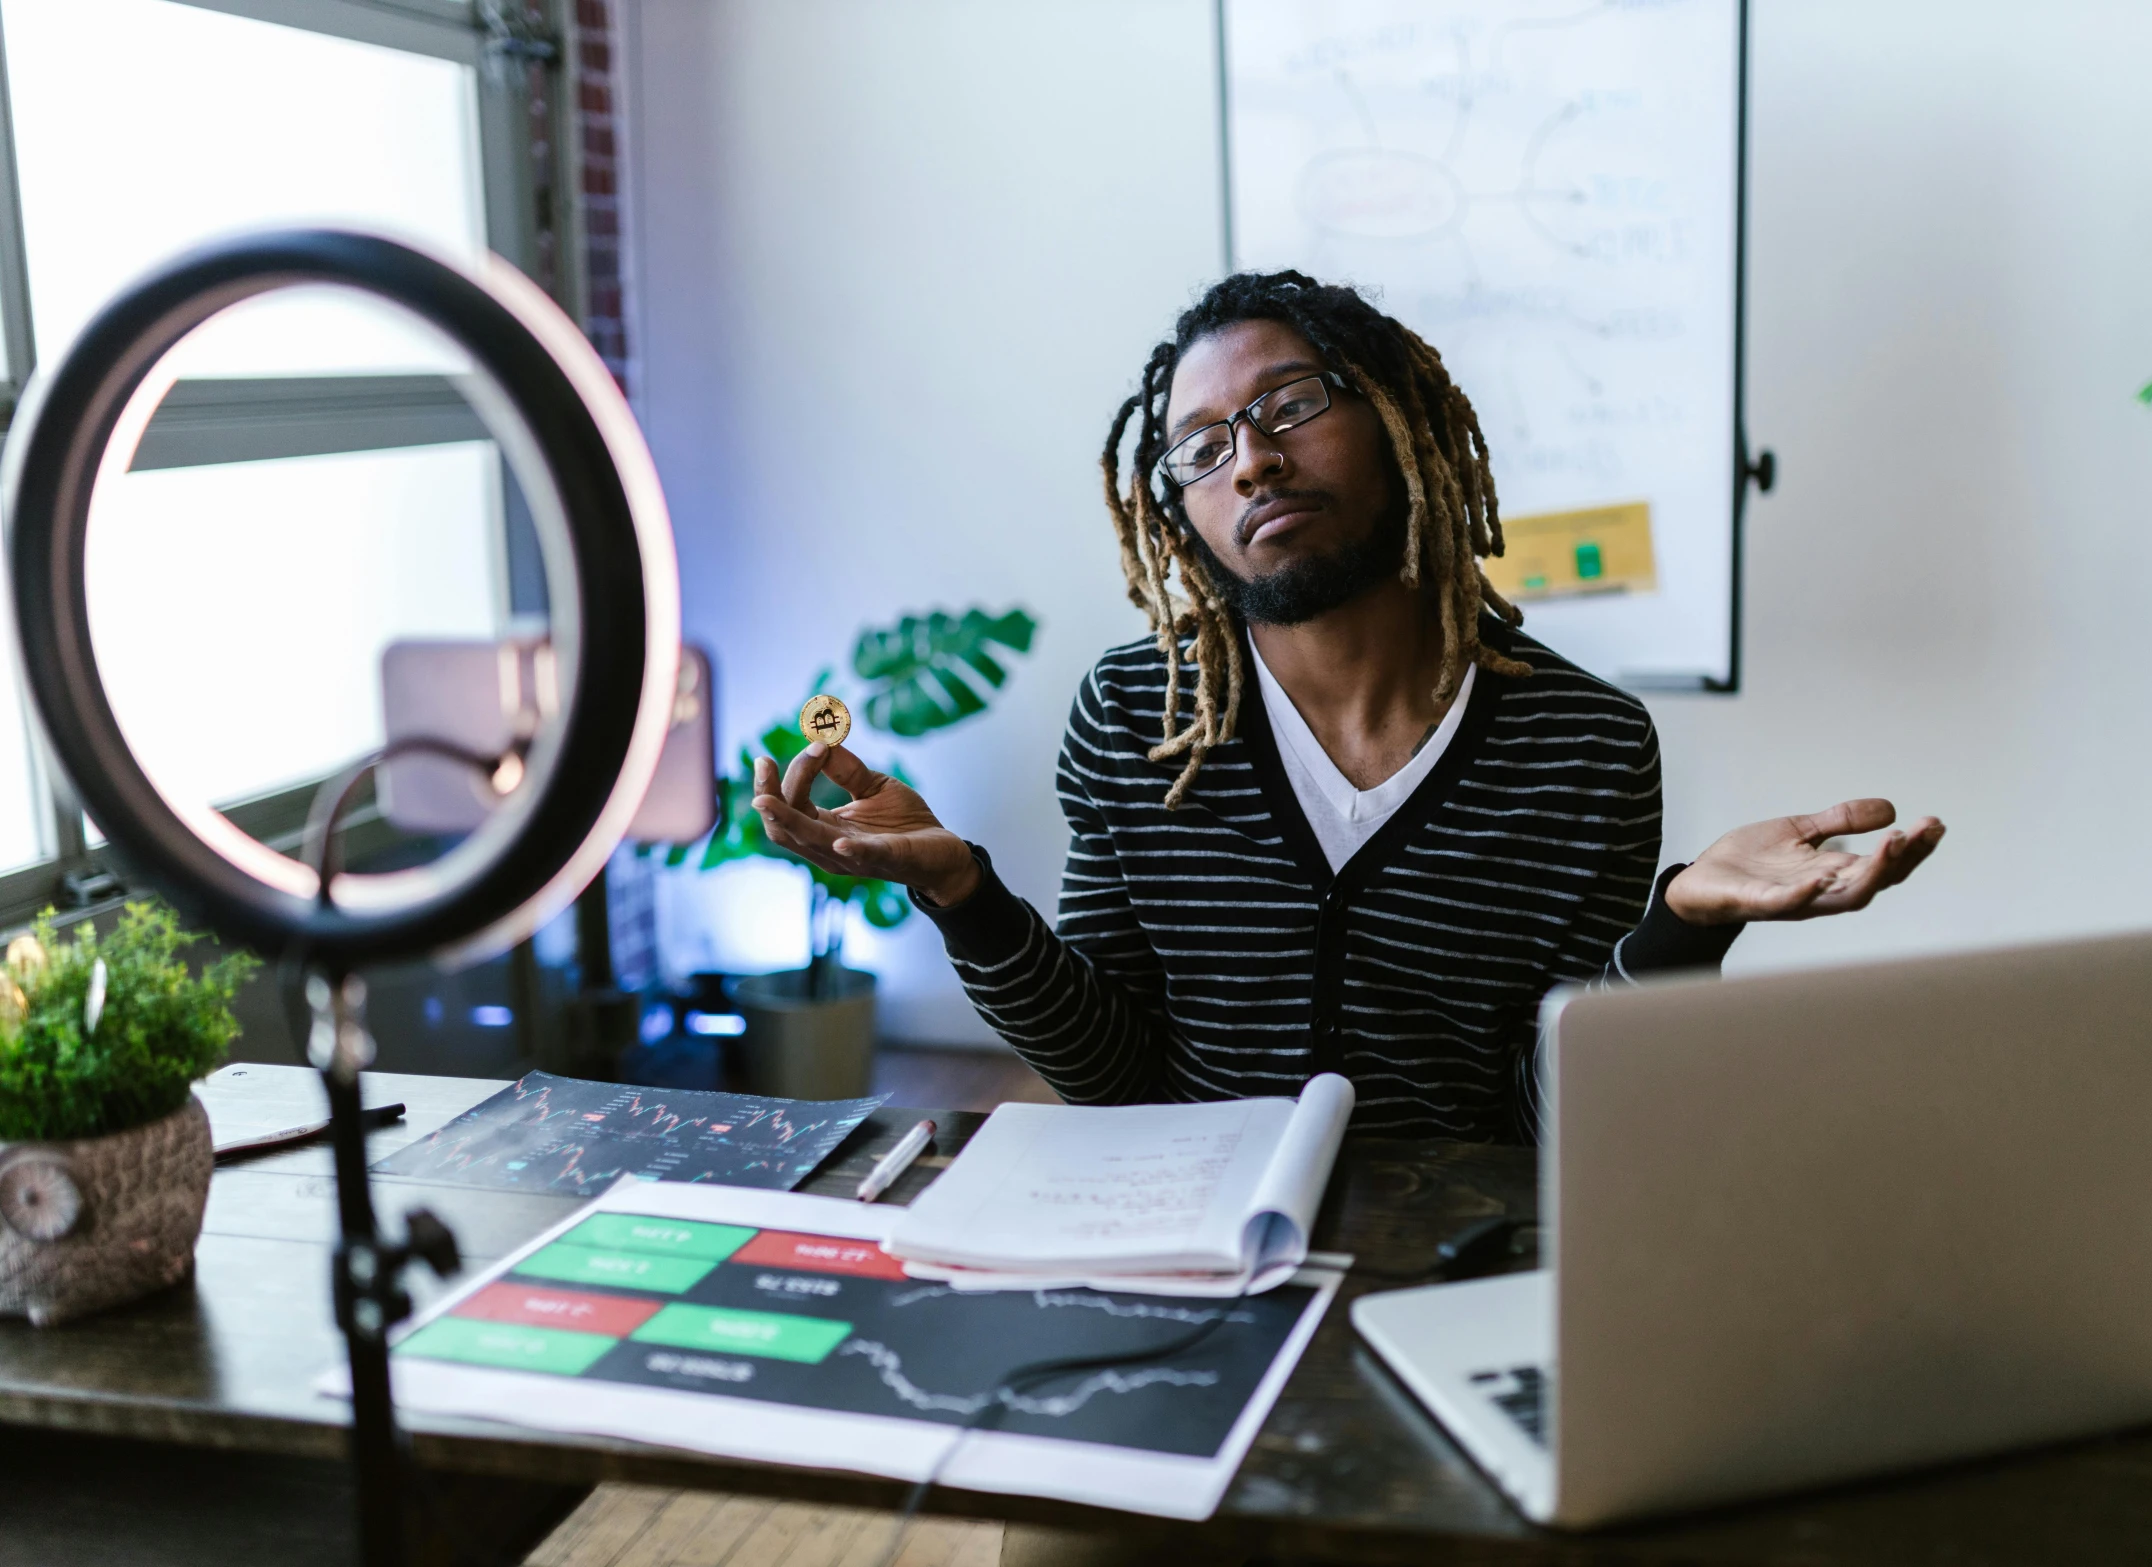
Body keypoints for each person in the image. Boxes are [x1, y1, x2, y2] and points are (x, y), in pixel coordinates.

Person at [753, 272, 1943, 1141]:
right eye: (1202, 448)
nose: (1250, 462)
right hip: (1192, 1248)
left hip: (1449, 1262)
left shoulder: (1581, 746)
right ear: (1180, 515)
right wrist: (962, 894)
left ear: (1400, 422)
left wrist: (1682, 925)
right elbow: (1115, 1075)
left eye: (1289, 406)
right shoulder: (1133, 716)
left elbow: (1544, 1116)